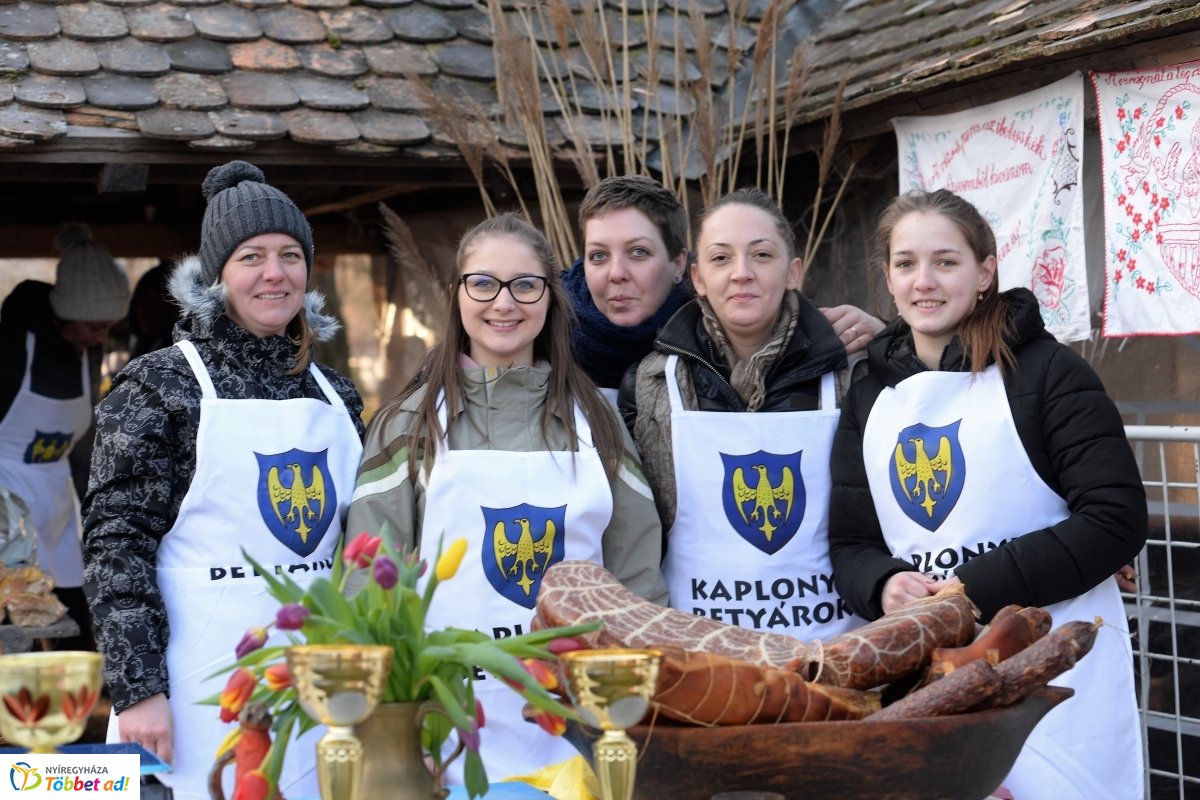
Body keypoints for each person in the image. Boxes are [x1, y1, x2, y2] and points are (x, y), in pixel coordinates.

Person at [828, 189, 1146, 799]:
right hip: (930, 676)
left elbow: (1114, 519)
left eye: (945, 262)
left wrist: (970, 591)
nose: (924, 281)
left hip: (1057, 660)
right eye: (905, 263)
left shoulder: (1048, 372)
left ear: (985, 272)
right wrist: (882, 584)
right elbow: (851, 541)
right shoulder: (868, 395)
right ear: (888, 278)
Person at [347, 212, 667, 782]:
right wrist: (395, 736)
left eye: (524, 285)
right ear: (456, 295)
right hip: (445, 739)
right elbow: (369, 592)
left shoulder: (600, 422)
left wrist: (631, 724)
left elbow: (638, 588)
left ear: (550, 298)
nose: (504, 303)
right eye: (483, 284)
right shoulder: (408, 424)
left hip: (581, 738)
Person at [82, 161, 365, 800]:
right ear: (216, 276)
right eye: (251, 257)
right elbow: (115, 547)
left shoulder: (337, 394)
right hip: (190, 695)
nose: (275, 273)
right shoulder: (158, 386)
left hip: (318, 693)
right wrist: (139, 691)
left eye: (290, 255)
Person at [619, 187, 869, 641]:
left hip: (835, 653)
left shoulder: (853, 372)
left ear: (793, 272)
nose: (741, 273)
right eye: (721, 258)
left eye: (762, 255)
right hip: (700, 656)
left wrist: (890, 336)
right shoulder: (652, 384)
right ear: (697, 278)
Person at [566, 175, 883, 404]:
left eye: (638, 252)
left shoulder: (718, 339)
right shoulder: (549, 337)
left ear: (680, 265)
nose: (616, 274)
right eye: (598, 255)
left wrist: (886, 340)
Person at [0, 223, 130, 651]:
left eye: (109, 326)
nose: (102, 337)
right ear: (64, 315)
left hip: (55, 502)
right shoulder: (11, 350)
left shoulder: (86, 352)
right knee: (13, 622)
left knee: (73, 618)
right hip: (5, 501)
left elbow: (83, 442)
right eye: (94, 326)